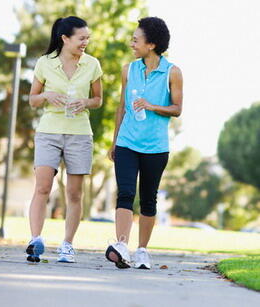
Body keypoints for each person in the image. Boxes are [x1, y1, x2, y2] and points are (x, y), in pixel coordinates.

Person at [105, 17, 183, 269]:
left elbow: (177, 109)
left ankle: (141, 251)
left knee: (148, 199)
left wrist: (152, 106)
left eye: (135, 40)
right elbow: (121, 107)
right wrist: (115, 141)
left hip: (156, 147)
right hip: (127, 142)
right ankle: (122, 246)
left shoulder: (172, 72)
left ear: (150, 44)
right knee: (125, 193)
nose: (131, 43)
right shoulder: (129, 70)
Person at [26, 16, 103, 263]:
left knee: (74, 194)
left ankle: (67, 245)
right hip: (49, 131)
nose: (86, 42)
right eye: (82, 38)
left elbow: (98, 100)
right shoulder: (44, 63)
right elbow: (32, 100)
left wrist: (86, 102)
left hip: (80, 133)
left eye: (87, 38)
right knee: (42, 187)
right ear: (65, 38)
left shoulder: (92, 64)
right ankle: (35, 239)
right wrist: (47, 94)